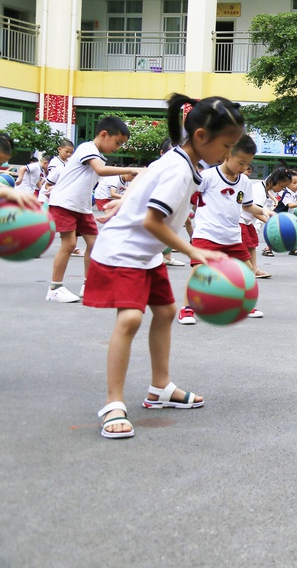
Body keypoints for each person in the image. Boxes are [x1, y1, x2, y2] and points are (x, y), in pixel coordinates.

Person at [85, 94, 245, 439]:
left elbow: (145, 179)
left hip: (146, 254)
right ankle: (113, 402)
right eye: (227, 145)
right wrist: (196, 253)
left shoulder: (180, 159)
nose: (228, 154)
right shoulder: (179, 170)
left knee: (166, 311)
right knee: (129, 318)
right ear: (201, 136)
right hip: (124, 251)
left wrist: (125, 201)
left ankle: (160, 388)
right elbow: (152, 222)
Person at [178, 134, 271, 325]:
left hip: (232, 237)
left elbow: (247, 206)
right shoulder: (208, 177)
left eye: (248, 164)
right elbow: (188, 194)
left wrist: (264, 211)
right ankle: (187, 308)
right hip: (207, 234)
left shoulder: (244, 182)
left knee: (247, 271)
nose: (245, 168)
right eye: (241, 162)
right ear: (227, 155)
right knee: (199, 271)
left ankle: (245, 305)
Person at [46, 116, 134, 303]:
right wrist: (134, 170)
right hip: (65, 203)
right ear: (103, 135)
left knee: (94, 245)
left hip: (82, 206)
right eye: (117, 143)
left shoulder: (98, 154)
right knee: (69, 244)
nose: (117, 149)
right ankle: (55, 287)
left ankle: (90, 284)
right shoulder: (87, 148)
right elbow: (100, 170)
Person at [252, 168, 290, 265]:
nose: (282, 189)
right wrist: (270, 222)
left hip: (245, 222)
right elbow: (255, 212)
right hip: (241, 222)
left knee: (251, 244)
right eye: (282, 186)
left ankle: (253, 269)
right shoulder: (259, 191)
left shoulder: (265, 188)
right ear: (276, 181)